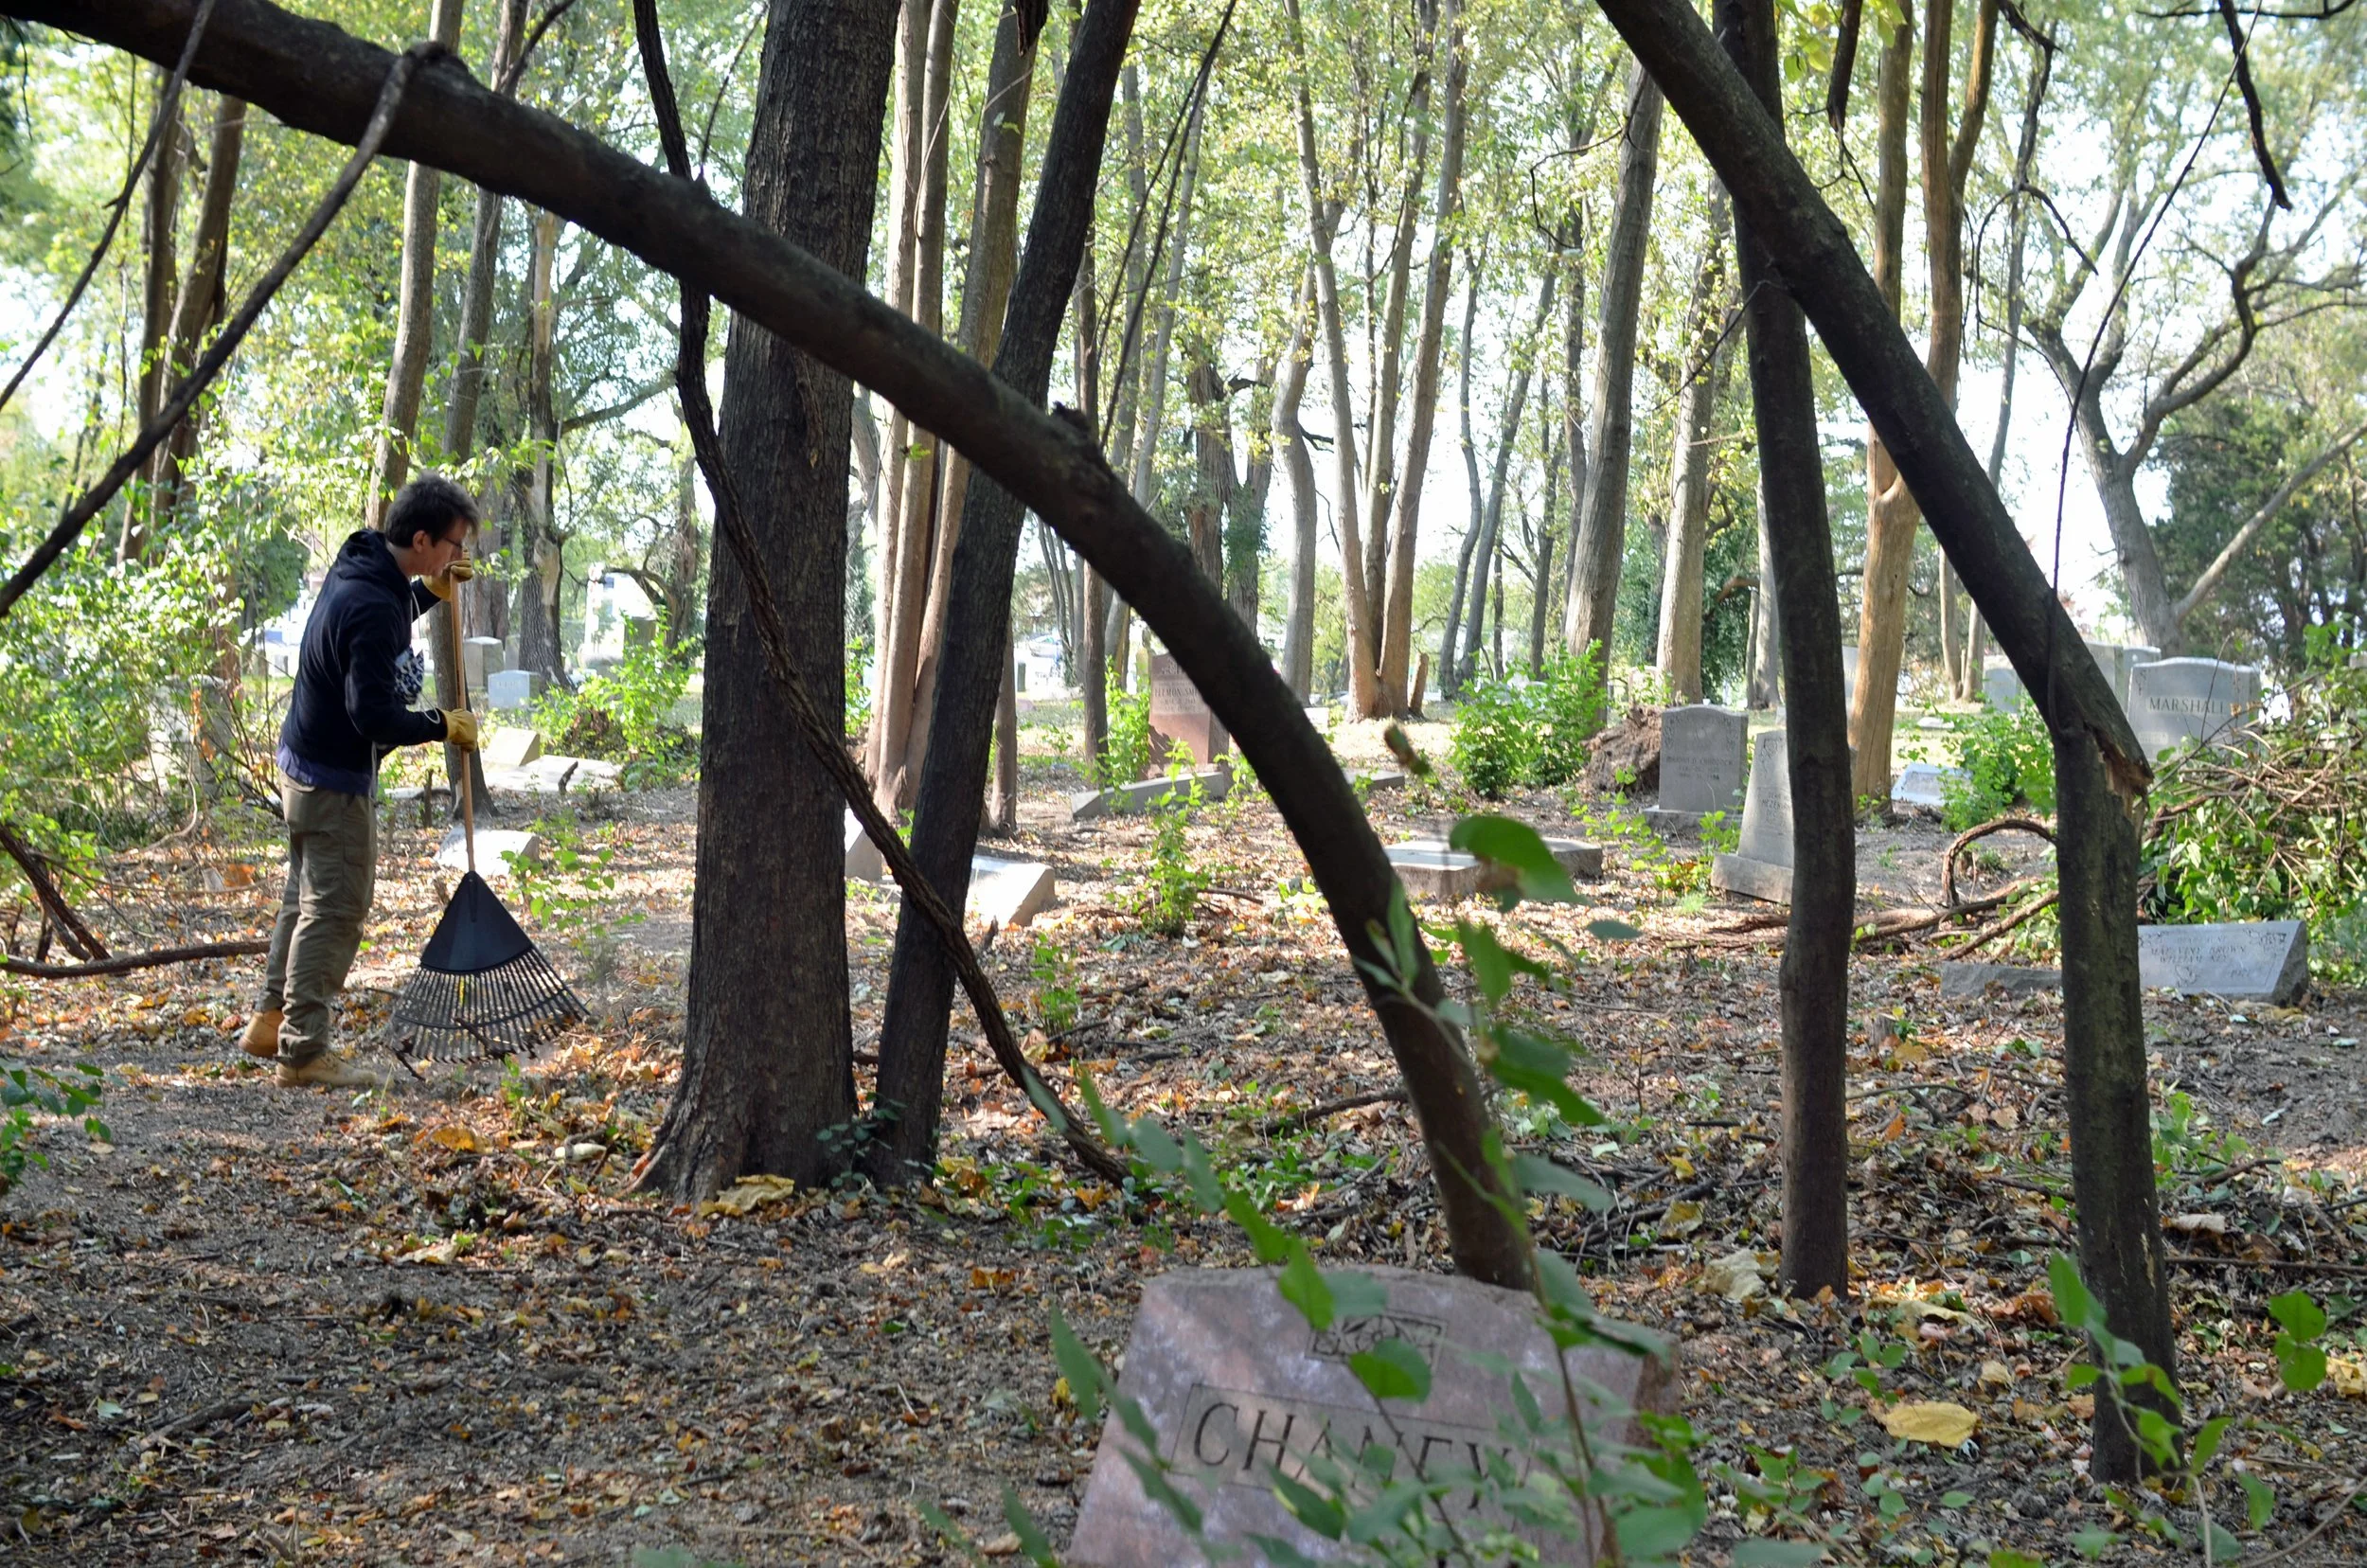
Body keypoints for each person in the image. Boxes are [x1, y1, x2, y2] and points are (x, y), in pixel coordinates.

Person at [239, 475, 485, 1087]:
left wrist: (427, 594)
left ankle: (271, 1021)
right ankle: (304, 1052)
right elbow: (371, 714)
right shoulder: (377, 606)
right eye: (454, 546)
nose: (459, 558)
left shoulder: (362, 560)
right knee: (337, 909)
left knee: (303, 900)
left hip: (300, 764)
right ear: (423, 539)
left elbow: (376, 615)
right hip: (332, 783)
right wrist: (440, 724)